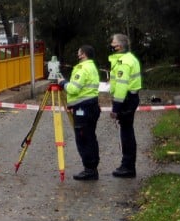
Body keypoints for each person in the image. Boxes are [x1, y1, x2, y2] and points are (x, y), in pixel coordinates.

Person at [59, 44, 102, 180]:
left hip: (84, 109)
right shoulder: (92, 67)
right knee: (90, 138)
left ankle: (89, 170)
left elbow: (73, 89)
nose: (77, 55)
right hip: (91, 106)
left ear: (83, 54)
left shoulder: (82, 68)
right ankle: (92, 168)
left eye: (78, 52)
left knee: (84, 139)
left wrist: (62, 83)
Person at [108, 33, 142, 178]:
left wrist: (116, 108)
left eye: (113, 43)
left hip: (126, 100)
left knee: (127, 134)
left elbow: (121, 86)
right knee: (126, 132)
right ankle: (127, 165)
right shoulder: (126, 59)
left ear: (120, 46)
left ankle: (128, 167)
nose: (111, 45)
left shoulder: (124, 62)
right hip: (129, 99)